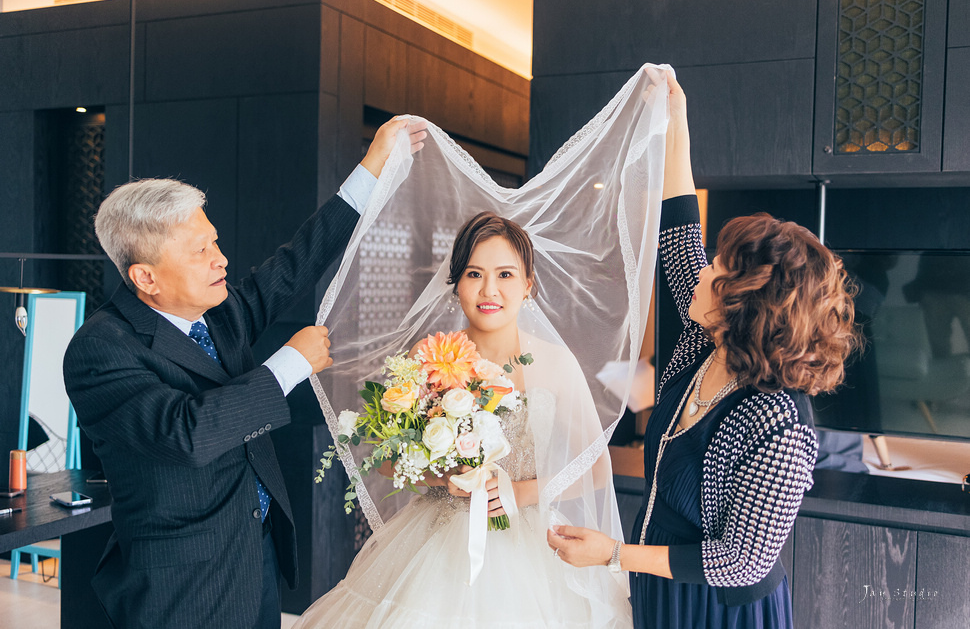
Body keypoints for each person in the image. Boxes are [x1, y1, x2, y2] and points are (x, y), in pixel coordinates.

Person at [62, 117, 427, 629]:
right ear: (145, 276)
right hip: (179, 587)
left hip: (255, 556)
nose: (222, 259)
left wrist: (372, 167)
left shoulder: (219, 310)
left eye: (214, 242)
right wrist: (291, 364)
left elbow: (295, 265)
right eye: (201, 252)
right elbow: (187, 432)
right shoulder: (100, 349)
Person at [547, 71, 860, 629]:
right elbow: (678, 234)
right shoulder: (707, 340)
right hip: (658, 577)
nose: (702, 270)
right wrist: (676, 119)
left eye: (718, 270)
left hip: (717, 606)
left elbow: (740, 562)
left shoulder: (780, 424)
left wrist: (614, 555)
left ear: (745, 306)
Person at [294, 212, 632, 628]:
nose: (489, 289)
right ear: (456, 285)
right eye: (474, 273)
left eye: (505, 274)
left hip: (527, 543)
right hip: (431, 537)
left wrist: (519, 493)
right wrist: (442, 480)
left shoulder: (556, 363)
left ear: (529, 286)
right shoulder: (425, 357)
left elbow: (595, 469)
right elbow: (385, 459)